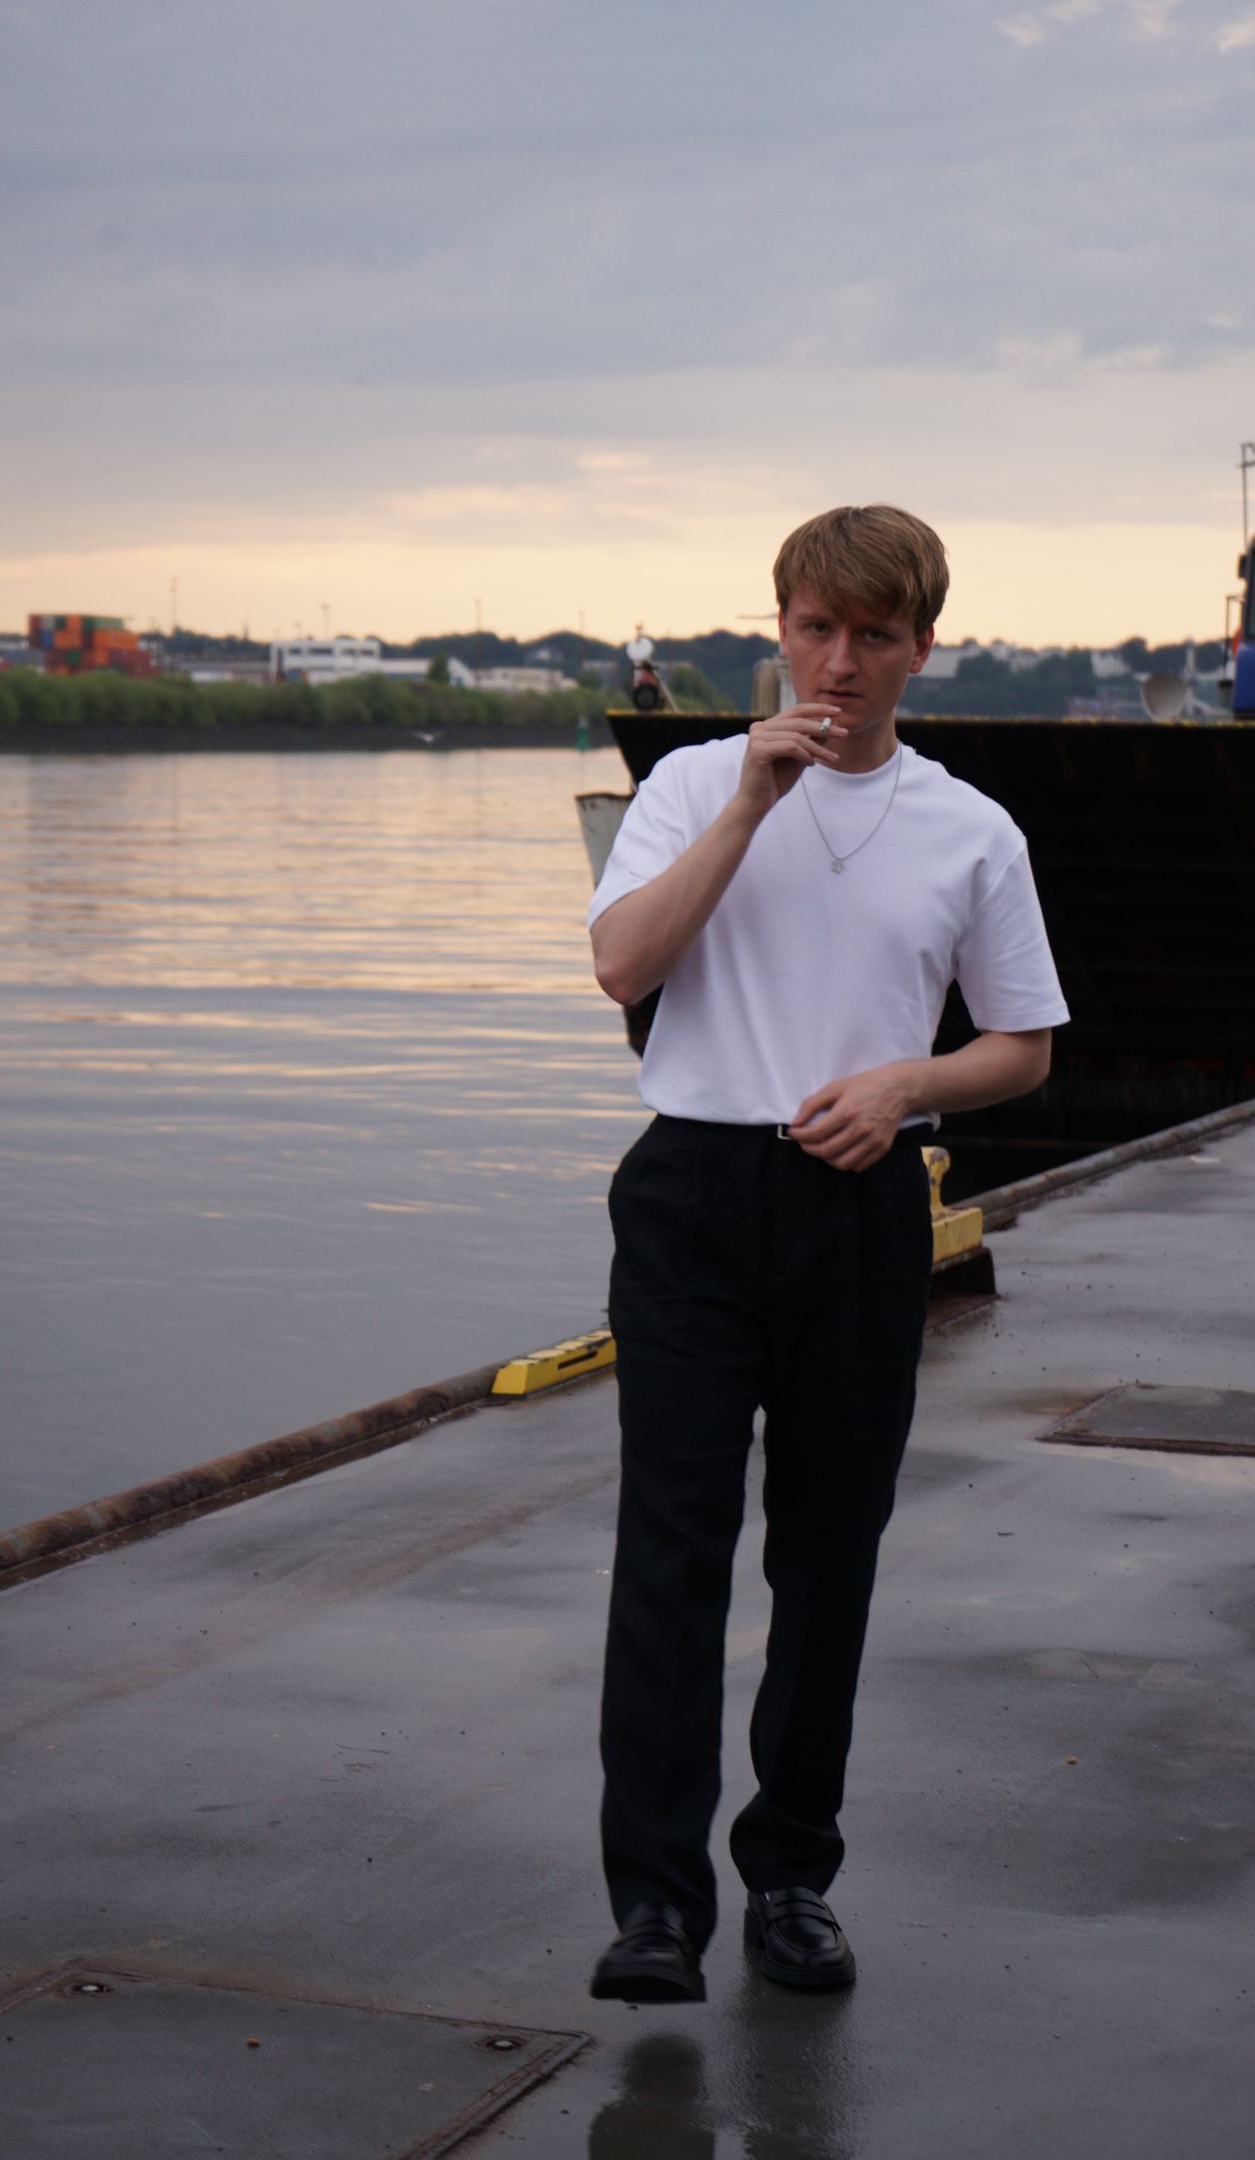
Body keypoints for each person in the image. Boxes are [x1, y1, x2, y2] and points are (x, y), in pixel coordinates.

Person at [586, 505, 1069, 2003]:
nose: (840, 662)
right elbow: (621, 965)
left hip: (856, 1206)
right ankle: (656, 1909)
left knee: (827, 1552)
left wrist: (906, 1083)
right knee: (671, 1548)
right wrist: (750, 801)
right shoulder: (689, 784)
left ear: (923, 646)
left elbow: (1023, 1047)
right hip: (690, 1194)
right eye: (815, 629)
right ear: (779, 629)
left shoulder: (970, 829)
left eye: (873, 635)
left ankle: (791, 1877)